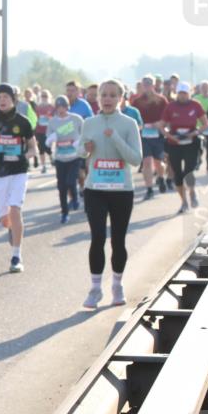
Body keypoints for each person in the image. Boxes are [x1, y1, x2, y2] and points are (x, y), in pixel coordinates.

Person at [78, 80, 142, 308]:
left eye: (113, 95)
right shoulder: (89, 123)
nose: (107, 98)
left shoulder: (129, 123)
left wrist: (115, 137)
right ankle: (95, 289)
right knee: (97, 238)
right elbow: (80, 148)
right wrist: (84, 150)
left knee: (118, 240)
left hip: (121, 190)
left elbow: (136, 159)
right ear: (98, 98)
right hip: (95, 189)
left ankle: (117, 284)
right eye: (104, 94)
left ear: (120, 99)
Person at [0, 83, 36, 272]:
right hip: (0, 172)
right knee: (6, 219)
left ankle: (16, 256)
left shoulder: (23, 122)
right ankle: (11, 229)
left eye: (6, 97)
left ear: (14, 99)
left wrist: (23, 156)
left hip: (19, 171)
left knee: (15, 209)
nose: (2, 100)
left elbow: (33, 149)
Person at [160, 82, 208, 213]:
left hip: (191, 143)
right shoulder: (171, 106)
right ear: (177, 93)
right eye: (180, 93)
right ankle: (184, 202)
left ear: (189, 94)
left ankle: (192, 193)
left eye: (185, 93)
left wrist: (195, 133)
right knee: (177, 174)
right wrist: (170, 136)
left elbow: (206, 124)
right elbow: (161, 125)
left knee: (189, 171)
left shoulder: (195, 105)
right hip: (174, 143)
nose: (182, 96)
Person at [45, 96, 85, 223]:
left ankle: (75, 198)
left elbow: (84, 134)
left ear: (67, 107)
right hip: (60, 158)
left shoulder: (76, 119)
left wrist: (78, 142)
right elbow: (47, 140)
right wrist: (51, 139)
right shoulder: (52, 122)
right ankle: (64, 212)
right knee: (61, 186)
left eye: (63, 107)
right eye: (58, 107)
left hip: (74, 157)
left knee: (70, 181)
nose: (61, 110)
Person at [131, 75, 169, 199]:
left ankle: (161, 177)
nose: (147, 86)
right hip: (144, 136)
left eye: (149, 83)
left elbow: (167, 117)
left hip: (158, 135)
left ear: (154, 85)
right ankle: (149, 189)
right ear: (142, 85)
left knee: (159, 162)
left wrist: (160, 124)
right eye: (144, 84)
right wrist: (140, 126)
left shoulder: (161, 100)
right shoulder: (137, 101)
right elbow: (133, 119)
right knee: (146, 162)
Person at [34, 89, 55, 174]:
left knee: (48, 148)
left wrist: (49, 117)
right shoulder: (38, 107)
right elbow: (35, 118)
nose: (44, 98)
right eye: (42, 96)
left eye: (45, 96)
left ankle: (51, 157)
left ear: (49, 97)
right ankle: (43, 166)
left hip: (48, 131)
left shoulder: (51, 107)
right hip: (39, 131)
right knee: (41, 149)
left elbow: (55, 119)